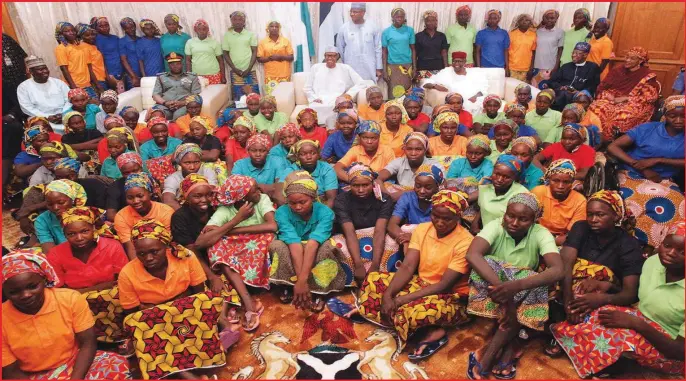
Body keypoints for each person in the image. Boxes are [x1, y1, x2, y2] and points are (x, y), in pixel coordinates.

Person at [550, 221, 684, 379]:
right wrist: (606, 286)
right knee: (596, 308)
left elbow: (680, 351)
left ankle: (611, 362)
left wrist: (635, 323)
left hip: (672, 350)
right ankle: (580, 345)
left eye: (683, 252)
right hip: (641, 319)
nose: (671, 253)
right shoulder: (653, 263)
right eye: (667, 245)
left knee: (619, 336)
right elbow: (636, 295)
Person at [356, 189, 474, 359]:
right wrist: (389, 295)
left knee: (413, 311)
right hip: (421, 283)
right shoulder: (423, 229)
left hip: (450, 296)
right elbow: (407, 266)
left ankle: (434, 332)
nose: (439, 222)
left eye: (447, 219)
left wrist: (399, 300)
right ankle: (401, 322)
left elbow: (444, 285)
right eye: (435, 216)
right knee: (374, 279)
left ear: (458, 217)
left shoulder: (466, 242)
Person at [465, 193, 562, 380]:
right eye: (510, 216)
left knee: (537, 280)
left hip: (521, 290)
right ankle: (509, 348)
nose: (514, 222)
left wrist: (515, 287)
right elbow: (473, 254)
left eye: (523, 219)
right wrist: (504, 289)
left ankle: (489, 355)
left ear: (534, 220)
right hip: (494, 288)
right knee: (487, 262)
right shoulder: (495, 225)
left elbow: (558, 269)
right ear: (505, 214)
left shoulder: (541, 233)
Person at [1, 250, 131, 380]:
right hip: (32, 375)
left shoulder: (69, 299)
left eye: (32, 286)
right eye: (14, 292)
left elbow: (88, 343)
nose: (26, 295)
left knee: (115, 365)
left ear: (44, 279)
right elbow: (10, 371)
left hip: (75, 362)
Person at [543, 190, 643, 358]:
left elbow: (630, 294)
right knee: (547, 283)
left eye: (600, 215)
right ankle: (562, 328)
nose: (593, 220)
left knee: (603, 316)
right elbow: (565, 265)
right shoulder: (581, 228)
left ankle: (563, 331)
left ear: (616, 216)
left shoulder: (629, 244)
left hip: (603, 295)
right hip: (567, 286)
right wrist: (569, 301)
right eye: (590, 214)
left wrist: (601, 298)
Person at [607, 95, 685, 249]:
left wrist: (658, 160)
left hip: (664, 180)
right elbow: (613, 147)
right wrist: (638, 166)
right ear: (665, 115)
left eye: (683, 116)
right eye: (672, 115)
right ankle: (632, 244)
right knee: (635, 205)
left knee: (679, 204)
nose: (678, 120)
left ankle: (664, 247)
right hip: (630, 174)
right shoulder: (647, 129)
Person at [196, 174, 277, 322]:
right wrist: (237, 219)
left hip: (260, 243)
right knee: (216, 245)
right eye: (254, 190)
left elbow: (272, 226)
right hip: (238, 248)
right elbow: (200, 242)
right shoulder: (226, 210)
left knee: (265, 238)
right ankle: (247, 301)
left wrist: (231, 230)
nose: (259, 190)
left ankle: (246, 300)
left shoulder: (262, 200)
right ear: (241, 197)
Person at [269, 170, 345, 311]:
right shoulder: (282, 212)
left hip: (314, 247)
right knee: (277, 245)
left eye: (303, 202)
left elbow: (312, 243)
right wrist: (301, 282)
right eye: (292, 203)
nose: (298, 207)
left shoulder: (325, 212)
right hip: (294, 247)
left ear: (313, 198)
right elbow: (294, 243)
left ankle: (318, 291)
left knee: (326, 249)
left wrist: (302, 281)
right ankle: (288, 285)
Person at [331, 163, 398, 287]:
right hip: (352, 237)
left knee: (392, 243)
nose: (361, 190)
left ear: (373, 184)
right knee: (337, 244)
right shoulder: (341, 200)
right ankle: (351, 283)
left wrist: (375, 265)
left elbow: (380, 230)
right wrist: (358, 264)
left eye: (365, 185)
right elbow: (349, 231)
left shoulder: (383, 199)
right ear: (349, 185)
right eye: (356, 185)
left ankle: (382, 282)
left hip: (376, 236)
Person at [46, 205, 127, 292]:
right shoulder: (55, 254)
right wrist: (97, 288)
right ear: (65, 234)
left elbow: (124, 280)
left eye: (84, 231)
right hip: (73, 301)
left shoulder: (112, 246)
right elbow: (58, 291)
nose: (79, 238)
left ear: (93, 229)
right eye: (71, 234)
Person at [588, 46, 659, 141]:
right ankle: (595, 138)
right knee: (597, 108)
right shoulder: (618, 70)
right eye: (627, 57)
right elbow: (603, 86)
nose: (627, 60)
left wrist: (626, 99)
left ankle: (614, 141)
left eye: (632, 58)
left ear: (640, 61)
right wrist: (609, 97)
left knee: (621, 115)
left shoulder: (647, 75)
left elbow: (650, 97)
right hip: (612, 98)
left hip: (635, 102)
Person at [169, 174, 223, 292]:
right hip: (194, 261)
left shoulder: (215, 210)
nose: (204, 200)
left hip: (218, 257)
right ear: (187, 198)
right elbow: (191, 251)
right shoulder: (179, 217)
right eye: (197, 196)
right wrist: (211, 277)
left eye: (208, 195)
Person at [115, 173, 175, 259]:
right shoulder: (121, 216)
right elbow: (131, 248)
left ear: (150, 193)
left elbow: (167, 244)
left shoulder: (165, 211)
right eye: (130, 197)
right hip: (139, 257)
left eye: (140, 196)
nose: (135, 201)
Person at [303, 46, 371, 122]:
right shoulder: (315, 68)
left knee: (343, 109)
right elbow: (307, 88)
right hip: (319, 100)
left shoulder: (345, 68)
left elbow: (361, 83)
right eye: (328, 55)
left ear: (337, 57)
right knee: (314, 109)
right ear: (325, 56)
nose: (330, 58)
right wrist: (314, 98)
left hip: (338, 100)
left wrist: (348, 95)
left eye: (333, 56)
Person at [387, 164, 444, 249]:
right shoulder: (408, 197)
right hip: (409, 239)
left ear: (437, 187)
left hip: (434, 239)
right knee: (391, 241)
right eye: (418, 186)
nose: (421, 191)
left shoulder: (444, 201)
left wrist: (415, 238)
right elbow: (392, 224)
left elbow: (445, 231)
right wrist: (405, 239)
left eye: (428, 187)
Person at [532, 159, 586, 245]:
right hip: (535, 235)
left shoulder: (580, 201)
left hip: (561, 240)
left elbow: (573, 234)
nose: (560, 186)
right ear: (549, 180)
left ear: (572, 182)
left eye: (566, 182)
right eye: (556, 181)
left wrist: (549, 242)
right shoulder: (538, 192)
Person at [474, 154, 529, 232]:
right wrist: (475, 223)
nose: (499, 180)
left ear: (515, 178)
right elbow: (484, 207)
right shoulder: (485, 187)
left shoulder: (522, 195)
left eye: (506, 177)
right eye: (497, 174)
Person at [423, 51, 489, 115]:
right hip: (454, 102)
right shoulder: (446, 72)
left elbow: (483, 89)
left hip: (472, 100)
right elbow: (427, 82)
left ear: (464, 62)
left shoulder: (474, 73)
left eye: (459, 61)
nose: (456, 64)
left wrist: (475, 96)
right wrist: (435, 86)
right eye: (454, 61)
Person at [17, 56, 71, 134]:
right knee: (41, 127)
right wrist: (47, 116)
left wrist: (63, 113)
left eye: (46, 68)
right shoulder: (23, 87)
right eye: (40, 69)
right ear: (31, 71)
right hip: (39, 117)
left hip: (63, 114)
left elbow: (69, 99)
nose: (45, 71)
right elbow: (26, 107)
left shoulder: (58, 83)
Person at [376, 132, 437, 200]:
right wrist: (388, 195)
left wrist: (401, 195)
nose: (413, 153)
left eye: (418, 149)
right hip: (398, 199)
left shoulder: (434, 165)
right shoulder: (399, 162)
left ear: (425, 150)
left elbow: (438, 188)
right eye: (409, 149)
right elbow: (378, 178)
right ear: (404, 149)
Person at [277, 140, 338, 208]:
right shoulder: (291, 170)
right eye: (303, 154)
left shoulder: (326, 169)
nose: (309, 157)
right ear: (297, 156)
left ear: (318, 154)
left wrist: (323, 215)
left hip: (321, 207)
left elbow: (331, 199)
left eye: (313, 153)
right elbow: (279, 195)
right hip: (296, 208)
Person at [542, 42, 600, 110]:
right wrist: (560, 87)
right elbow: (552, 80)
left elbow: (594, 85)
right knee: (560, 94)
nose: (574, 55)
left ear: (585, 55)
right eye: (573, 52)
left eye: (577, 53)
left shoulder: (592, 67)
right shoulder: (566, 66)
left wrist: (579, 91)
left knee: (565, 95)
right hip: (561, 92)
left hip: (578, 94)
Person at [163, 143, 218, 210]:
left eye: (196, 162)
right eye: (187, 163)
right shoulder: (173, 178)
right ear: (180, 163)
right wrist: (186, 215)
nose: (192, 167)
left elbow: (212, 192)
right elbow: (168, 200)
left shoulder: (207, 172)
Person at [336, 3, 382, 83]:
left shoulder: (373, 26)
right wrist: (345, 65)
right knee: (352, 89)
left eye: (355, 12)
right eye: (351, 11)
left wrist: (378, 67)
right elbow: (340, 49)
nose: (351, 14)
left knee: (369, 90)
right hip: (351, 65)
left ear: (363, 13)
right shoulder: (344, 28)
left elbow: (378, 48)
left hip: (369, 66)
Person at [104, 152, 158, 220]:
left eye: (135, 170)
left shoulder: (152, 182)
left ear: (141, 167)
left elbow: (162, 205)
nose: (132, 175)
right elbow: (111, 214)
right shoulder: (115, 187)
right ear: (121, 172)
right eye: (126, 173)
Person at [54, 22, 99, 97]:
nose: (71, 33)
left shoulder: (81, 46)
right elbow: (64, 70)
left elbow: (89, 67)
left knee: (95, 107)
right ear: (61, 34)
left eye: (73, 30)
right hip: (75, 85)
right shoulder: (61, 48)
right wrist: (74, 88)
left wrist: (97, 85)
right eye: (67, 31)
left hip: (88, 84)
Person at [152, 52, 201, 121]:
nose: (175, 66)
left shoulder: (192, 77)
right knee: (157, 115)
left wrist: (182, 103)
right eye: (172, 64)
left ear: (182, 64)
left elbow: (196, 95)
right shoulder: (161, 77)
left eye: (178, 63)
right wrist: (165, 103)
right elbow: (155, 95)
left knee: (178, 116)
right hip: (165, 105)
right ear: (169, 65)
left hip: (184, 105)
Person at [223, 11, 259, 100]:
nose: (238, 21)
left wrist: (249, 68)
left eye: (240, 19)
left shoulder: (250, 34)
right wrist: (234, 69)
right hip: (236, 71)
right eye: (235, 19)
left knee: (253, 96)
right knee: (239, 97)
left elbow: (254, 51)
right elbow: (225, 53)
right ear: (231, 21)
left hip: (250, 70)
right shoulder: (227, 35)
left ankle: (254, 113)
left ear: (244, 21)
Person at [382, 8, 416, 99]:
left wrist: (415, 68)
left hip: (407, 66)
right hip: (392, 66)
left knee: (408, 93)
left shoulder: (410, 30)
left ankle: (407, 112)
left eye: (401, 16)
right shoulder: (386, 32)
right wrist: (384, 70)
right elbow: (384, 52)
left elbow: (413, 49)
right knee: (394, 93)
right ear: (392, 17)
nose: (399, 18)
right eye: (397, 16)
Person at [257, 21, 294, 95]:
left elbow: (291, 57)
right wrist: (270, 58)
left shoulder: (285, 41)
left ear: (279, 28)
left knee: (285, 97)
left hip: (284, 74)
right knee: (271, 98)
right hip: (270, 75)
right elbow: (259, 59)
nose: (274, 28)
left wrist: (280, 57)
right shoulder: (263, 42)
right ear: (268, 29)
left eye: (276, 27)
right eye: (272, 26)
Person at [185, 19, 226, 85]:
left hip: (213, 74)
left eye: (204, 29)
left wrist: (223, 76)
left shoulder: (214, 43)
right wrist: (189, 76)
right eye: (199, 29)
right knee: (200, 95)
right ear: (195, 30)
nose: (202, 31)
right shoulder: (190, 42)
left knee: (215, 94)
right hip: (197, 75)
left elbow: (221, 61)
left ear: (207, 30)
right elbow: (188, 61)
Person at [531, 10, 564, 87]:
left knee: (546, 91)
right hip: (537, 66)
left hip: (550, 67)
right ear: (543, 19)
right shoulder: (538, 31)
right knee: (535, 89)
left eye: (552, 18)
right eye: (547, 18)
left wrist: (556, 66)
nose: (549, 20)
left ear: (556, 19)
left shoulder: (560, 32)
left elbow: (560, 50)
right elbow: (534, 50)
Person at [91, 17, 123, 91]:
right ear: (96, 28)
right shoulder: (96, 40)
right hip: (108, 74)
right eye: (101, 26)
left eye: (106, 25)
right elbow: (100, 59)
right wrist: (107, 76)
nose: (105, 28)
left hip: (120, 73)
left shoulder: (115, 38)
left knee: (123, 96)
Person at [76, 23, 111, 91]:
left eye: (92, 34)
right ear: (81, 36)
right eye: (87, 35)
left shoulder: (93, 46)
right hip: (96, 81)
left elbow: (101, 64)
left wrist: (107, 78)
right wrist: (97, 84)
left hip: (102, 79)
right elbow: (88, 68)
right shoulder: (83, 47)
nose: (91, 37)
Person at [414, 10, 448, 80]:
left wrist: (446, 68)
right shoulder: (418, 36)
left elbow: (444, 52)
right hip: (422, 67)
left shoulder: (441, 36)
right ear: (425, 22)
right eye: (428, 21)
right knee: (424, 89)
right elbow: (415, 53)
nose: (431, 23)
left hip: (438, 67)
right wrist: (414, 68)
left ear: (436, 22)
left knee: (438, 88)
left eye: (433, 20)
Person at [2, 33, 27, 119]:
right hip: (3, 83)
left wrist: (25, 73)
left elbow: (21, 54)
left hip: (19, 77)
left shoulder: (6, 38)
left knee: (24, 101)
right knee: (10, 108)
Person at [507, 14, 536, 82]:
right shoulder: (511, 34)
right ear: (518, 22)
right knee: (512, 89)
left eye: (527, 20)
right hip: (512, 68)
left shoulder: (533, 35)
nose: (524, 22)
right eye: (522, 20)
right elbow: (507, 51)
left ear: (530, 23)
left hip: (526, 69)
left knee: (524, 90)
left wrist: (531, 69)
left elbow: (533, 52)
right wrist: (507, 67)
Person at [118, 17, 141, 89]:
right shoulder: (122, 41)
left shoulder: (140, 39)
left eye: (132, 27)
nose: (131, 30)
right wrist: (133, 76)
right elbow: (123, 60)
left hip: (143, 73)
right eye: (127, 28)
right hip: (132, 74)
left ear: (135, 26)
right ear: (124, 29)